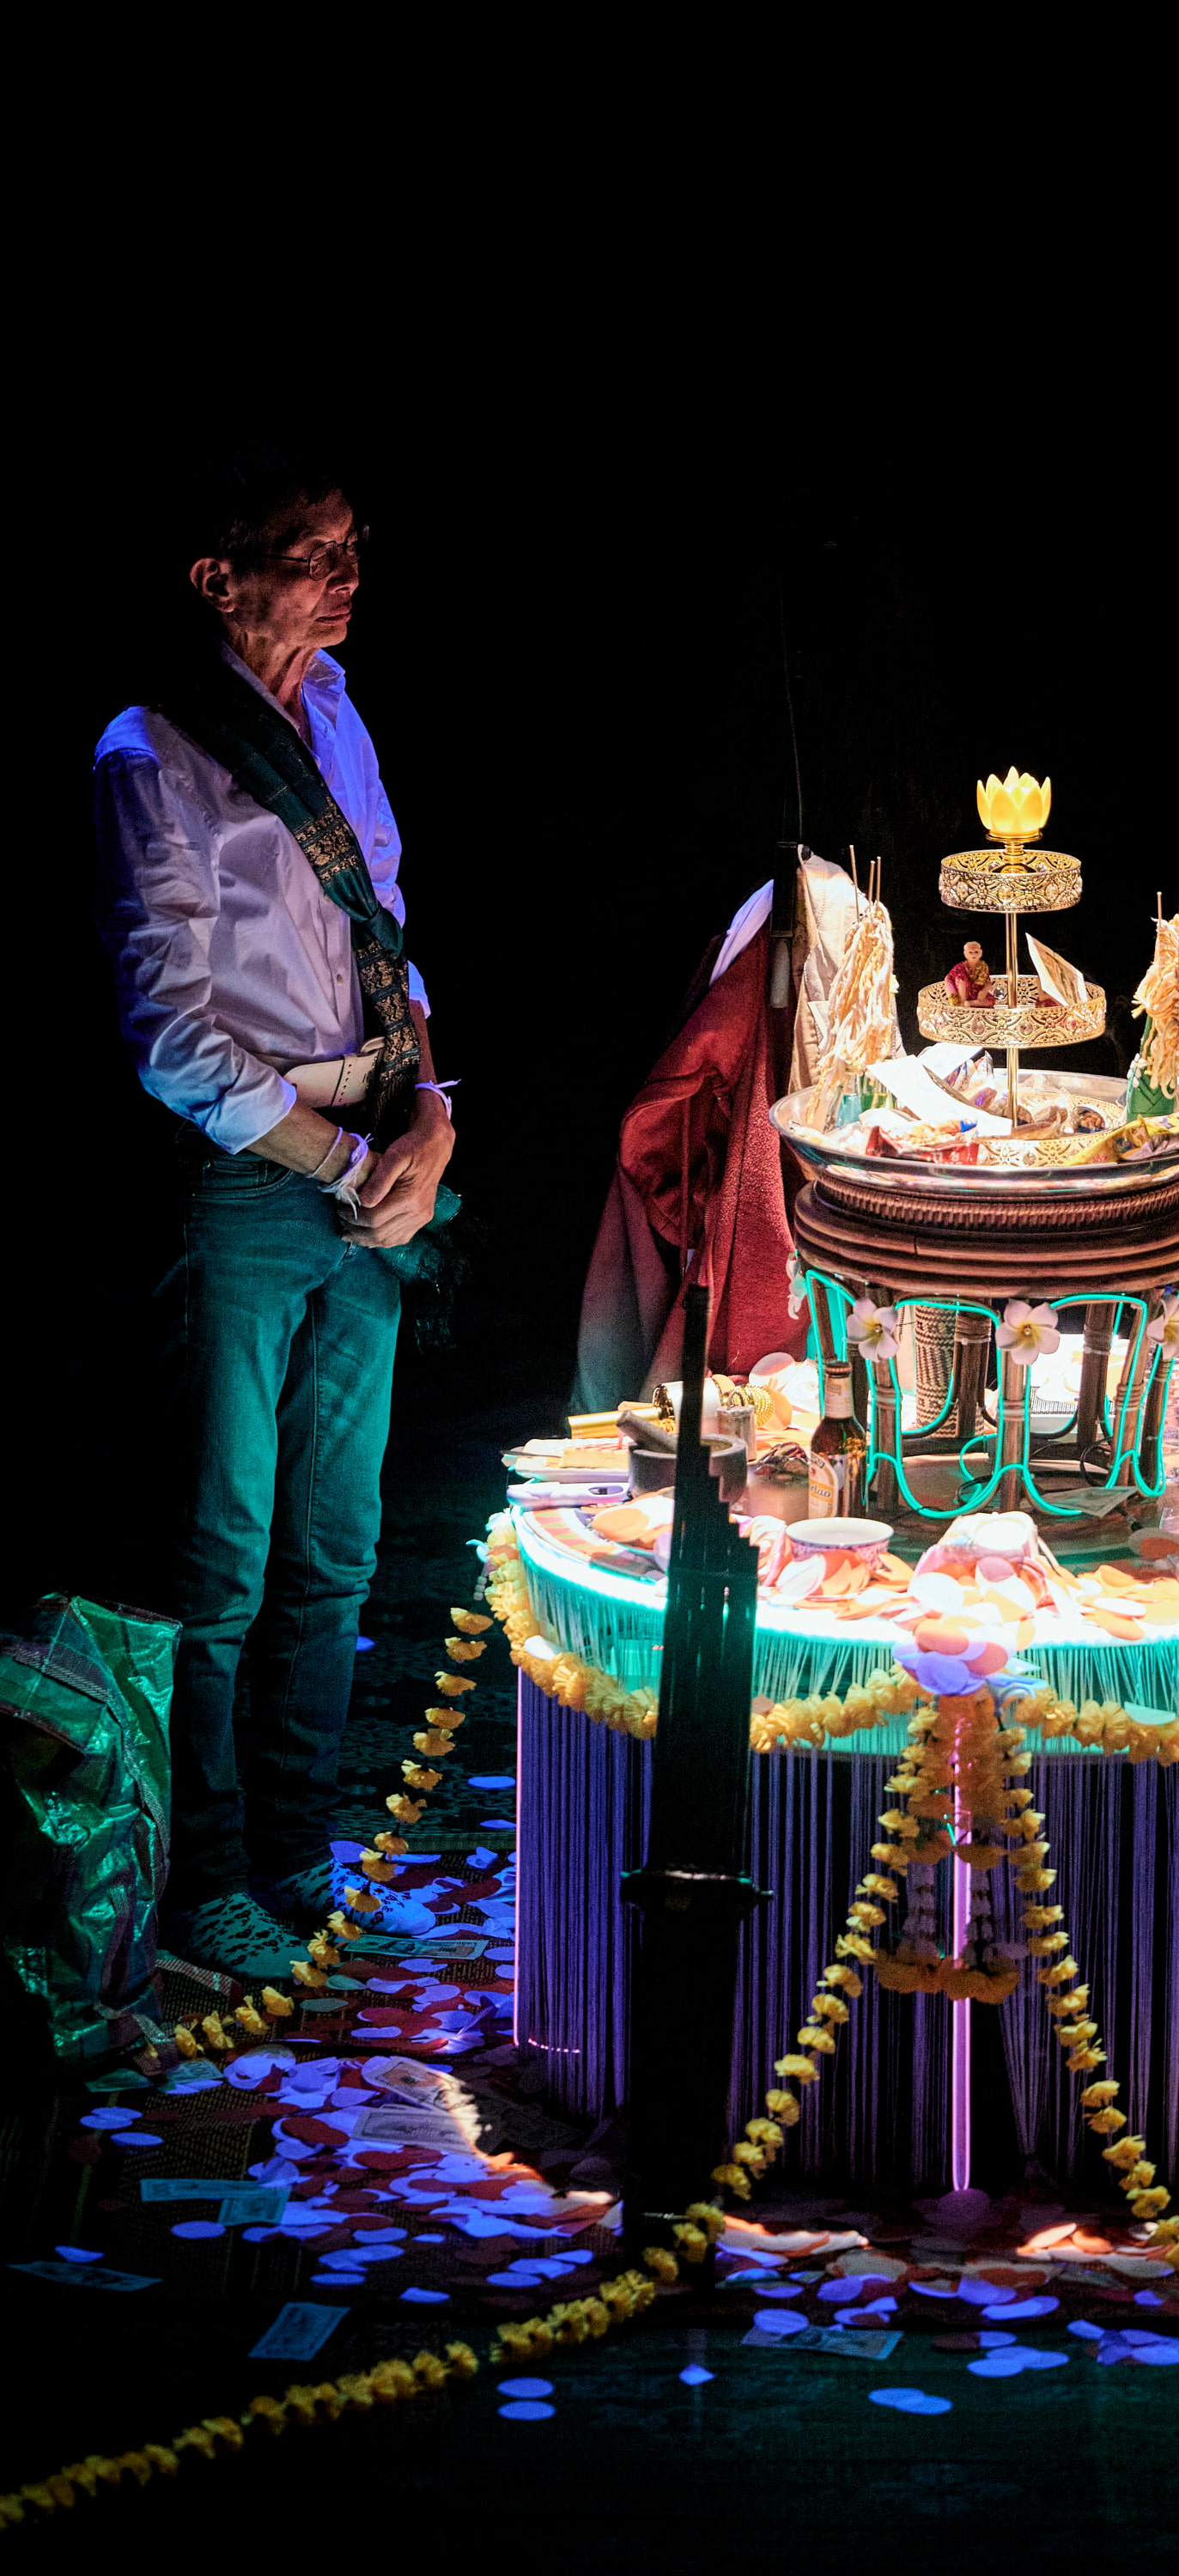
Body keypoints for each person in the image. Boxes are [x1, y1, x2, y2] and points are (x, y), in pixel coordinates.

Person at [92, 448, 455, 1983]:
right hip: (258, 1175)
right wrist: (340, 1161)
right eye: (313, 554)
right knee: (224, 1552)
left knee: (337, 1541)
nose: (347, 580)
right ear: (217, 576)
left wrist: (433, 1120)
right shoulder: (154, 752)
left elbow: (389, 941)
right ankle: (211, 1878)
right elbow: (170, 1035)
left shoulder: (341, 711)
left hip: (376, 1151)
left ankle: (300, 1848)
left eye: (354, 548)